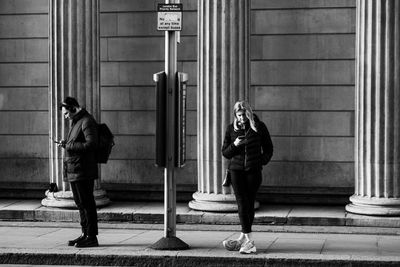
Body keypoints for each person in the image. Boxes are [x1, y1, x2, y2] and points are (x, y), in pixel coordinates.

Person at [221, 100, 273, 254]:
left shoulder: (259, 127)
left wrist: (260, 161)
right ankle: (248, 241)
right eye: (239, 115)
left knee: (249, 204)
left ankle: (244, 238)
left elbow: (269, 148)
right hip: (236, 171)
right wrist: (235, 144)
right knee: (242, 203)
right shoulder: (231, 129)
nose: (242, 118)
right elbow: (225, 152)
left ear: (249, 113)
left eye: (244, 115)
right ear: (235, 115)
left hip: (253, 171)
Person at [58, 96, 99, 248]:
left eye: (66, 114)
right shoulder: (77, 121)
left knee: (87, 204)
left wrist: (69, 146)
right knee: (81, 204)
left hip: (84, 170)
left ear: (74, 109)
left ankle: (91, 236)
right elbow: (75, 143)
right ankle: (84, 234)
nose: (66, 117)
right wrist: (67, 144)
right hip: (76, 170)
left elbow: (91, 144)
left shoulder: (87, 121)